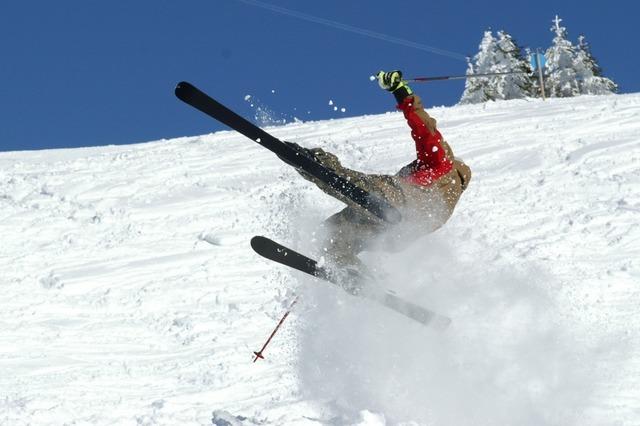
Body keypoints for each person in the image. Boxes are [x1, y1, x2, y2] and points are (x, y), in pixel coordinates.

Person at [291, 70, 471, 272]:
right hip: (395, 234)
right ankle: (357, 275)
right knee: (331, 237)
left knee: (343, 180)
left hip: (395, 203)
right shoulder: (447, 205)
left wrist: (400, 90)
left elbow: (425, 129)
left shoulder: (442, 164)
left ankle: (311, 159)